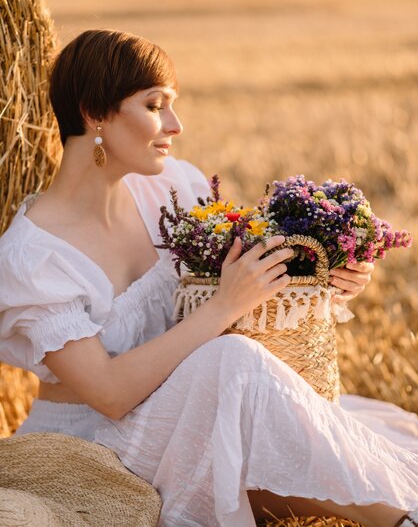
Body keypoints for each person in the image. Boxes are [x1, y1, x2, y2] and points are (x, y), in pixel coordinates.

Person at [0, 29, 417, 527]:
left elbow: (250, 272)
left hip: (190, 411)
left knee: (310, 428)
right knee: (233, 360)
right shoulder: (34, 257)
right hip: (93, 449)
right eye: (155, 105)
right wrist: (224, 305)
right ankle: (400, 517)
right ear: (94, 113)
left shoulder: (171, 189)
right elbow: (108, 393)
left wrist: (324, 276)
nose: (175, 125)